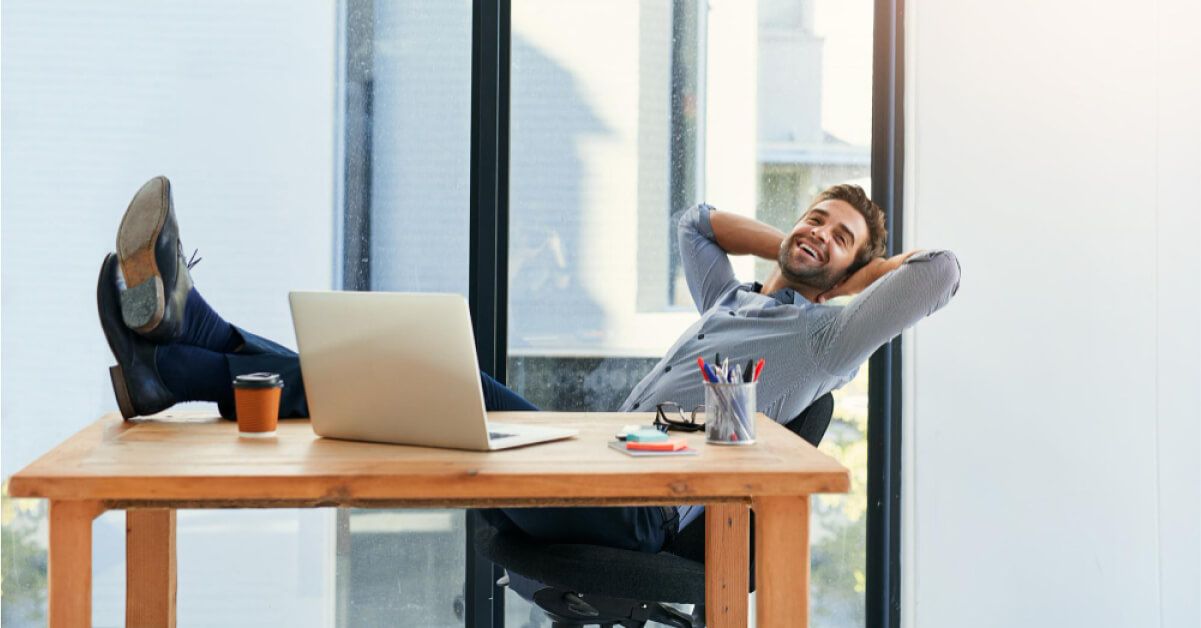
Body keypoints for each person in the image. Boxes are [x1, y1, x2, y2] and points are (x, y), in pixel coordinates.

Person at [97, 175, 960, 586]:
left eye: (840, 236)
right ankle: (181, 356)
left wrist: (847, 275)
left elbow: (941, 273)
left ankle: (184, 349)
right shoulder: (733, 300)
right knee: (398, 393)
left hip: (636, 505)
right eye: (815, 216)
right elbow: (691, 223)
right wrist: (794, 246)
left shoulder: (824, 339)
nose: (818, 233)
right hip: (592, 465)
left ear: (858, 273)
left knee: (431, 377)